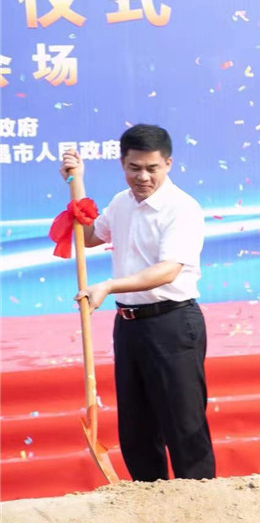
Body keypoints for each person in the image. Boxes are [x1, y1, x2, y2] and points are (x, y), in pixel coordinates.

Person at [58, 124, 215, 482]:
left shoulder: (181, 208)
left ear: (168, 164)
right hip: (129, 326)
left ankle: (201, 502)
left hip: (172, 324)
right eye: (134, 168)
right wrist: (76, 181)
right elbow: (88, 235)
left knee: (183, 425)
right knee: (136, 427)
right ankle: (149, 500)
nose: (143, 177)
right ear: (123, 164)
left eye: (152, 168)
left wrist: (110, 285)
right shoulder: (121, 203)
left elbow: (168, 270)